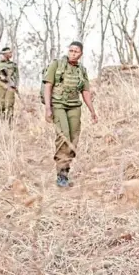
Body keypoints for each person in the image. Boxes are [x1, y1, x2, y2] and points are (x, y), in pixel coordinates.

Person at [43, 41, 98, 187]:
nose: (73, 53)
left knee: (73, 140)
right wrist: (48, 108)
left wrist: (92, 111)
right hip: (58, 104)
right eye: (71, 50)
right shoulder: (57, 64)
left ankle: (66, 171)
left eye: (76, 51)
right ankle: (61, 175)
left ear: (81, 54)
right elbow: (48, 85)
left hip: (74, 106)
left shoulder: (82, 70)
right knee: (63, 137)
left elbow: (85, 91)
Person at [0, 47, 19, 125]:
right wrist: (1, 77)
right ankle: (3, 122)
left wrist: (16, 85)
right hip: (1, 85)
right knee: (1, 104)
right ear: (5, 54)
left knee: (10, 104)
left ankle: (10, 123)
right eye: (9, 53)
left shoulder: (13, 65)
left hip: (10, 86)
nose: (11, 54)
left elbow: (17, 76)